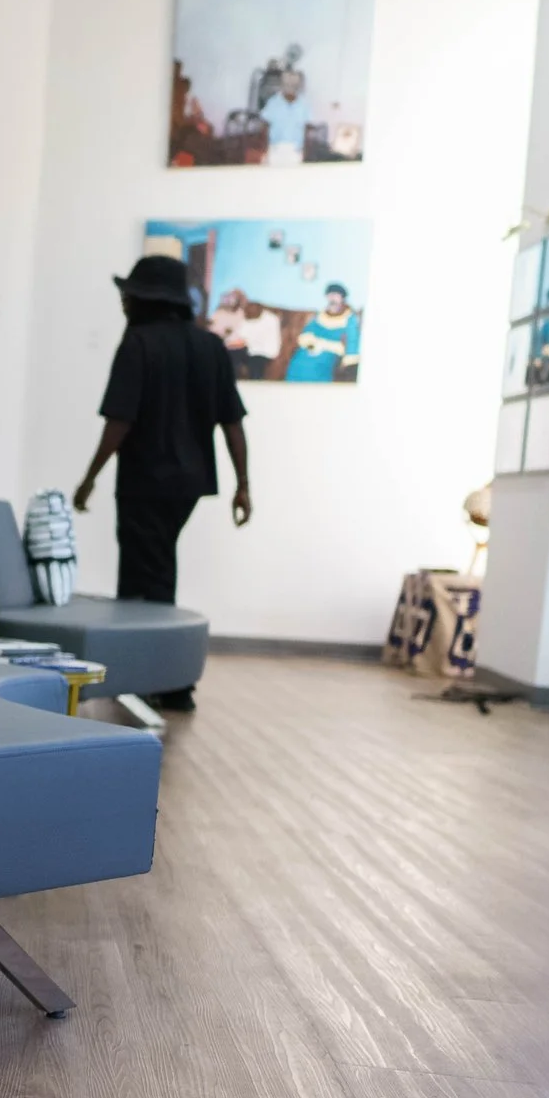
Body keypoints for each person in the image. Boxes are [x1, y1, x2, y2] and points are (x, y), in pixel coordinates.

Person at [72, 255, 251, 711]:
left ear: (149, 299)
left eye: (129, 295)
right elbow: (232, 423)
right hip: (190, 483)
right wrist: (242, 485)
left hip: (143, 480)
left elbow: (119, 421)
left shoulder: (138, 343)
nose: (124, 302)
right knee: (158, 568)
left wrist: (90, 478)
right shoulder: (211, 347)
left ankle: (162, 679)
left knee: (142, 577)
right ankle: (161, 677)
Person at [286, 283, 360, 381]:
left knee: (315, 366)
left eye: (336, 295)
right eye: (330, 295)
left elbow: (352, 343)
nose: (332, 299)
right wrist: (312, 346)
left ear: (343, 298)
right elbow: (306, 334)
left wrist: (349, 362)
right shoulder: (320, 315)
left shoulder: (350, 318)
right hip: (311, 348)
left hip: (331, 352)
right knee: (298, 361)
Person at [259, 67, 310, 166]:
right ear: (282, 85)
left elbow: (306, 128)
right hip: (276, 149)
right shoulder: (273, 103)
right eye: (287, 84)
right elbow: (264, 127)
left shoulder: (303, 105)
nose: (290, 87)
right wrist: (265, 151)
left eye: (293, 84)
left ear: (298, 86)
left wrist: (305, 152)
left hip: (296, 151)